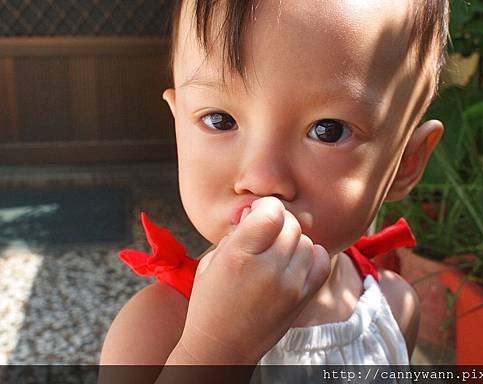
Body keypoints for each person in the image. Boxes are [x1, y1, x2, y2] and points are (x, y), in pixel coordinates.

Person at [100, 0, 448, 376]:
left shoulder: (394, 310)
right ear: (178, 126)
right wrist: (219, 350)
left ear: (405, 163)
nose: (262, 178)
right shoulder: (157, 330)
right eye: (220, 120)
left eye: (328, 130)